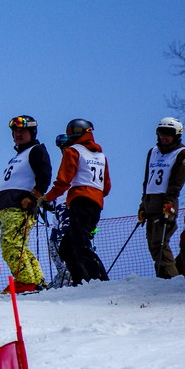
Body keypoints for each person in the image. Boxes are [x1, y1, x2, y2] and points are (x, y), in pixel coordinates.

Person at [0, 115, 52, 294]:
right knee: (20, 246)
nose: (18, 134)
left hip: (20, 208)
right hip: (8, 207)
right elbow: (10, 185)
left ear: (32, 132)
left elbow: (44, 175)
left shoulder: (36, 150)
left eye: (22, 131)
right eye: (15, 131)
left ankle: (25, 282)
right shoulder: (18, 156)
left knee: (10, 245)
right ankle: (37, 281)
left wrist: (34, 196)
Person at [40, 119, 111, 285]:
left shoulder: (73, 151)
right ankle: (81, 281)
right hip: (95, 204)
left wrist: (46, 198)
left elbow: (63, 181)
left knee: (79, 244)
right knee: (67, 247)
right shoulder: (101, 156)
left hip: (80, 201)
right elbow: (106, 187)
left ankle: (98, 281)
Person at [138, 118, 185, 278]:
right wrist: (143, 205)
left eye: (169, 133)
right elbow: (147, 180)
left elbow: (177, 182)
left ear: (177, 135)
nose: (164, 136)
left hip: (165, 203)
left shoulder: (181, 154)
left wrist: (169, 202)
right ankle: (162, 279)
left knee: (160, 244)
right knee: (153, 246)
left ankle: (172, 280)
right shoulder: (153, 152)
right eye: (161, 132)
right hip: (150, 203)